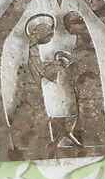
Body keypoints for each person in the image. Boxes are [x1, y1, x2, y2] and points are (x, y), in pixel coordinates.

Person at [10, 14, 68, 150]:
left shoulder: (33, 48)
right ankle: (30, 142)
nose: (48, 39)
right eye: (47, 36)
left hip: (33, 87)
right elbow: (39, 69)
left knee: (35, 112)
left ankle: (34, 141)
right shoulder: (32, 49)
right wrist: (57, 65)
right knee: (33, 112)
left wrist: (54, 65)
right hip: (31, 88)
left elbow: (39, 67)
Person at [62, 11, 105, 146]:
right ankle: (84, 138)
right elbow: (77, 61)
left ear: (77, 24)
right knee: (83, 110)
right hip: (83, 84)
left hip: (89, 85)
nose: (68, 30)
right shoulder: (81, 41)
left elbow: (84, 60)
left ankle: (94, 139)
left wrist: (68, 58)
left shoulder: (86, 43)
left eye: (68, 26)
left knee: (90, 110)